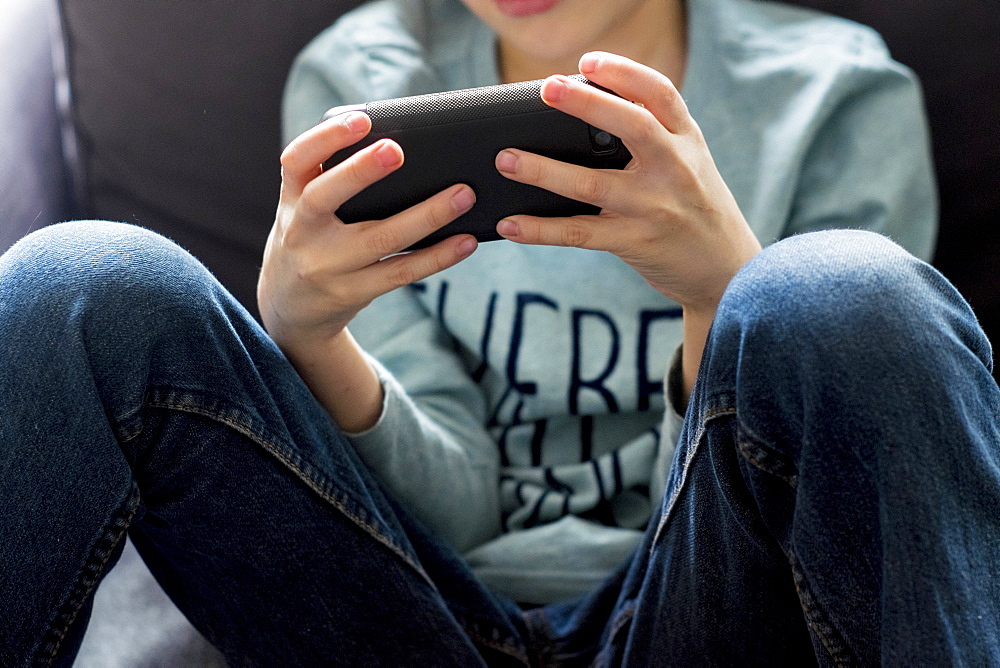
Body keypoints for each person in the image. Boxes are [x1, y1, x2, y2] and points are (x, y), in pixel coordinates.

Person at [2, 0, 998, 664]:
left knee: (848, 292)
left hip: (706, 603)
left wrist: (719, 291)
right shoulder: (362, 77)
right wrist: (306, 340)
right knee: (78, 280)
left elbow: (837, 496)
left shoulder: (837, 95)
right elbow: (459, 509)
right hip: (402, 604)